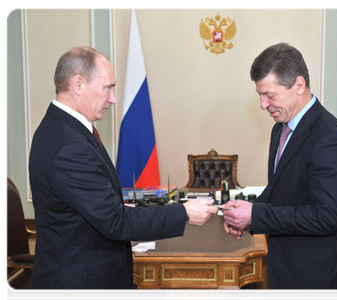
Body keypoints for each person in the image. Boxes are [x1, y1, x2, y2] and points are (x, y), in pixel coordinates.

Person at [29, 46, 218, 300]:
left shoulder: (65, 129)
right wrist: (183, 212)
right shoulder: (69, 145)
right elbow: (115, 222)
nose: (113, 98)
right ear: (78, 84)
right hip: (79, 287)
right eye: (107, 87)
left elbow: (90, 209)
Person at [222, 42, 337, 300]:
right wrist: (247, 217)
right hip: (288, 268)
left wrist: (256, 214)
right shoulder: (281, 127)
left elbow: (325, 217)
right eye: (260, 95)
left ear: (299, 85)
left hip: (319, 278)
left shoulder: (330, 139)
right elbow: (280, 191)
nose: (263, 105)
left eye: (270, 95)